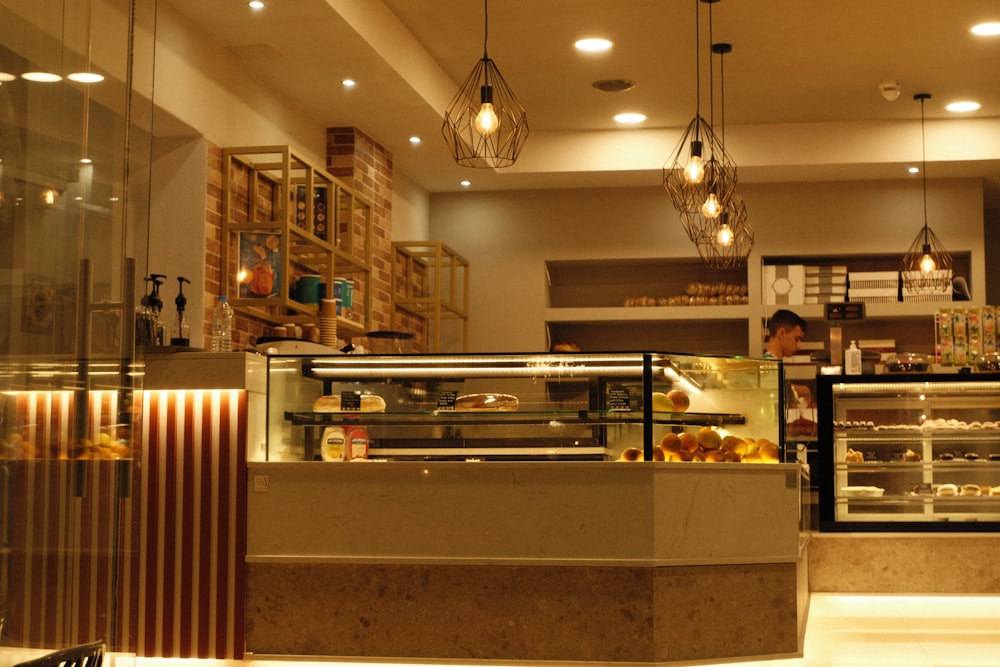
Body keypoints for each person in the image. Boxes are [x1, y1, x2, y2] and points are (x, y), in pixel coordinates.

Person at [763, 309, 811, 407]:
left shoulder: (775, 364)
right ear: (782, 333)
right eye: (796, 339)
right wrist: (805, 391)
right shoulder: (769, 367)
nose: (799, 346)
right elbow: (782, 391)